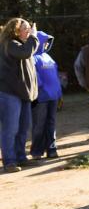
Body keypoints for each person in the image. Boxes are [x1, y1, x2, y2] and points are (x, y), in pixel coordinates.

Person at [0, 18, 38, 173]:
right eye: (26, 28)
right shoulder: (10, 44)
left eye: (30, 28)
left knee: (23, 128)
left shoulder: (21, 44)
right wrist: (34, 37)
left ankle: (21, 157)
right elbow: (25, 53)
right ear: (15, 30)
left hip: (23, 94)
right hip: (9, 93)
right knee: (11, 129)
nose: (28, 31)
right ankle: (9, 161)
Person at [30, 30, 62, 160]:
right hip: (41, 98)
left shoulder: (48, 57)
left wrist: (59, 92)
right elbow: (34, 78)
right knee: (39, 125)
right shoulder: (32, 57)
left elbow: (55, 76)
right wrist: (41, 88)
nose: (47, 44)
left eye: (48, 42)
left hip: (53, 97)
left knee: (51, 123)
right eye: (45, 42)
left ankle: (51, 149)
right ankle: (37, 151)